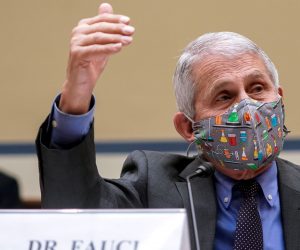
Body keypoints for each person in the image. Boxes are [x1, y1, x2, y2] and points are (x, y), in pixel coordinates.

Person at [36, 3, 300, 250]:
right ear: (188, 127)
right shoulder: (155, 186)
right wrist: (76, 96)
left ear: (280, 99)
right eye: (224, 96)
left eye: (257, 88)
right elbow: (75, 216)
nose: (247, 108)